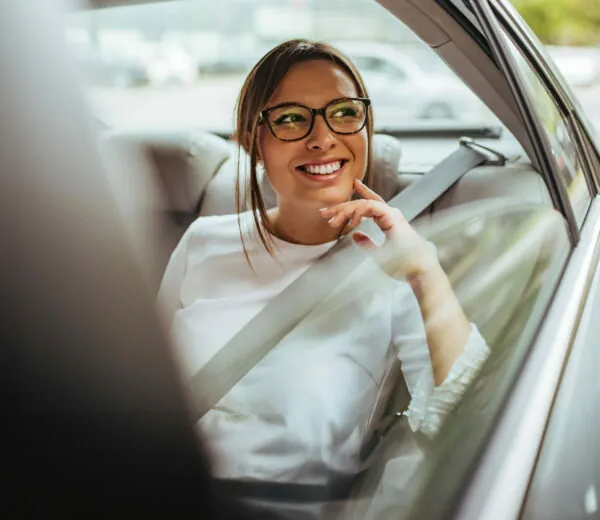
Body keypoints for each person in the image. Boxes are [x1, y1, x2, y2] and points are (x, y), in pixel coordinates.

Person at [157, 39, 489, 491]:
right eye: (291, 118)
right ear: (252, 142)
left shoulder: (396, 267)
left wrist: (423, 272)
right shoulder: (201, 242)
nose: (323, 137)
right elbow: (146, 387)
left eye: (345, 112)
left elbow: (470, 423)